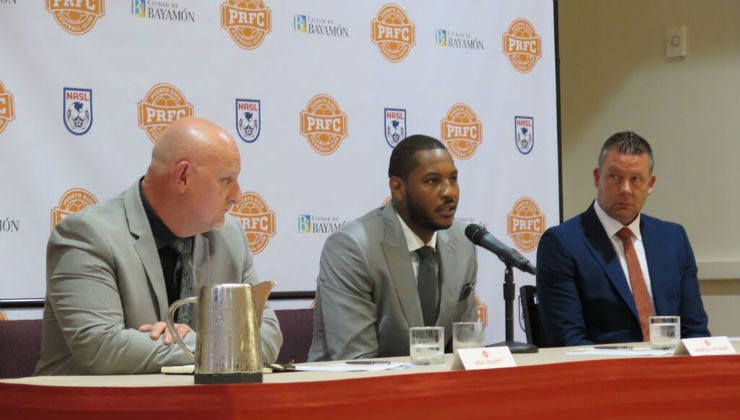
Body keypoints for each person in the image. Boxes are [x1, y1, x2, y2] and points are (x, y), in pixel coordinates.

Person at [35, 117, 282, 375]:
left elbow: (266, 337)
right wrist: (212, 343)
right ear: (183, 176)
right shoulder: (87, 236)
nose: (238, 196)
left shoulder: (230, 238)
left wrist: (190, 340)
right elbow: (101, 348)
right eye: (225, 180)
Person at [308, 134, 478, 361]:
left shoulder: (463, 242)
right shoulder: (353, 247)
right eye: (433, 181)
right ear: (398, 188)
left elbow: (466, 350)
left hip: (436, 389)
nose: (449, 192)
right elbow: (358, 360)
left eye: (453, 179)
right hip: (353, 390)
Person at [536, 131, 709, 347]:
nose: (625, 190)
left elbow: (695, 330)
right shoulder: (562, 243)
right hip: (605, 375)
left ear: (650, 184)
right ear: (597, 177)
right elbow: (568, 340)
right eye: (615, 177)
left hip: (672, 372)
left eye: (636, 179)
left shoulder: (673, 238)